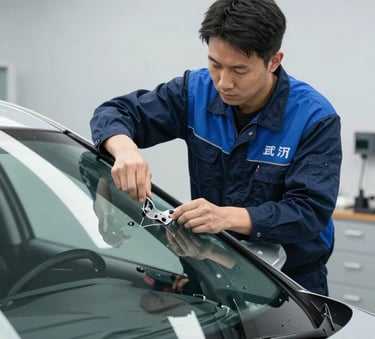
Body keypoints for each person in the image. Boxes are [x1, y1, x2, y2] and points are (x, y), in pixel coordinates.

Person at [90, 0, 342, 296]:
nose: (224, 82)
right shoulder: (194, 92)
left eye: (239, 69)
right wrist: (124, 149)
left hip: (290, 282)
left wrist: (225, 217)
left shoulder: (313, 117)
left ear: (273, 61)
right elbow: (115, 112)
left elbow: (309, 212)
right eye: (215, 64)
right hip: (211, 268)